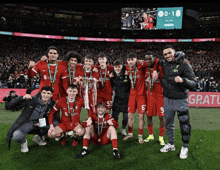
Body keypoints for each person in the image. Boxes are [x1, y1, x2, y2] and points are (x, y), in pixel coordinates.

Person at [152, 45, 197, 159]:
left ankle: (185, 147)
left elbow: (195, 84)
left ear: (174, 52)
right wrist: (155, 71)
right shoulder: (164, 63)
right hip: (167, 100)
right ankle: (171, 144)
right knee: (168, 124)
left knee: (184, 125)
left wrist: (183, 80)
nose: (167, 56)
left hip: (181, 100)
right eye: (165, 54)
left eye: (169, 53)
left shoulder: (184, 64)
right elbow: (156, 61)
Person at [6, 86, 57, 152]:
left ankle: (38, 137)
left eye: (48, 93)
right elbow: (10, 106)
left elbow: (53, 117)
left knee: (56, 124)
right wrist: (21, 98)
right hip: (28, 123)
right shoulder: (31, 100)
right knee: (17, 136)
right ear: (41, 93)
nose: (46, 95)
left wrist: (42, 123)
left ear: (51, 95)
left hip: (40, 123)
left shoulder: (52, 104)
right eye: (44, 92)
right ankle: (23, 142)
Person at [123, 52, 147, 144]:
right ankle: (130, 133)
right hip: (132, 95)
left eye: (132, 59)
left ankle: (140, 136)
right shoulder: (127, 68)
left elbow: (151, 62)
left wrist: (143, 61)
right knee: (130, 115)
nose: (130, 62)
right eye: (128, 60)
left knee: (141, 116)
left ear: (136, 60)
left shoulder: (141, 66)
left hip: (141, 95)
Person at [143, 52, 165, 146]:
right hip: (150, 96)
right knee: (148, 116)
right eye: (146, 59)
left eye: (150, 59)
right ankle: (151, 135)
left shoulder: (160, 67)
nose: (148, 61)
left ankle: (161, 137)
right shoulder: (145, 69)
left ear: (154, 59)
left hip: (160, 96)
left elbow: (158, 60)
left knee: (161, 117)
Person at [110, 60, 130, 136]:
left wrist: (128, 73)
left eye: (119, 66)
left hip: (126, 98)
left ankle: (123, 129)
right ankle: (114, 129)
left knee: (125, 116)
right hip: (117, 98)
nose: (117, 68)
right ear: (113, 67)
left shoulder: (127, 74)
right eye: (116, 67)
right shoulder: (112, 76)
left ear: (122, 66)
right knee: (114, 115)